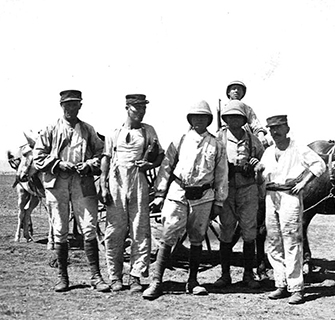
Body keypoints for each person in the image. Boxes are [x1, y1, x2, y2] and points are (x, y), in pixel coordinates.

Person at [142, 100, 228, 299]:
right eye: (195, 117)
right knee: (168, 235)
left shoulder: (216, 144)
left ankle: (193, 281)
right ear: (190, 119)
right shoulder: (179, 140)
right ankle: (156, 282)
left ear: (208, 119)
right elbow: (166, 166)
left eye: (203, 117)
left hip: (203, 197)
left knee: (197, 238)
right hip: (178, 193)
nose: (199, 120)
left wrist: (219, 201)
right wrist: (160, 194)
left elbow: (221, 175)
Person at [33, 89, 109, 293]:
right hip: (57, 183)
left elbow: (101, 153)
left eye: (74, 104)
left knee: (89, 226)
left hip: (82, 182)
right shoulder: (50, 129)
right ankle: (62, 278)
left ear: (80, 106)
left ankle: (96, 276)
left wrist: (89, 164)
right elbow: (38, 157)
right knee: (59, 229)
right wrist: (58, 164)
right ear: (61, 106)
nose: (70, 108)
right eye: (67, 105)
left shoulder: (88, 129)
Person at [255, 114, 326, 305]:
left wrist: (303, 182)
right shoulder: (268, 151)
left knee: (292, 240)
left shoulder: (298, 148)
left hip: (290, 196)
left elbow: (320, 165)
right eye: (272, 129)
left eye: (279, 128)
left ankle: (296, 288)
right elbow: (261, 179)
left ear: (287, 128)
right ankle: (281, 283)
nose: (275, 132)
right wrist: (258, 173)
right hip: (271, 196)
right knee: (273, 241)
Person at [99, 94, 165, 292]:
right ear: (127, 108)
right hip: (116, 181)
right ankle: (115, 276)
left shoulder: (148, 131)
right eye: (137, 108)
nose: (141, 112)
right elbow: (106, 158)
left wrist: (150, 164)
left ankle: (135, 276)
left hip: (139, 181)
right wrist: (103, 185)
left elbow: (160, 155)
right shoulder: (114, 132)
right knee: (114, 230)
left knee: (140, 229)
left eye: (144, 108)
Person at [213, 100, 265, 289]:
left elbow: (263, 160)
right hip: (226, 189)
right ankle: (225, 275)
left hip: (248, 188)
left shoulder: (252, 139)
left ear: (244, 119)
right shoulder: (219, 138)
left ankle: (248, 275)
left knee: (249, 231)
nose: (234, 120)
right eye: (230, 116)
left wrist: (255, 164)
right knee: (226, 230)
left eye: (238, 116)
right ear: (225, 119)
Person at [224, 80, 268, 147]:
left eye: (239, 89)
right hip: (227, 138)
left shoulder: (247, 108)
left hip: (245, 139)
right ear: (228, 92)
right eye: (234, 89)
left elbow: (255, 123)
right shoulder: (224, 108)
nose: (236, 91)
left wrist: (261, 134)